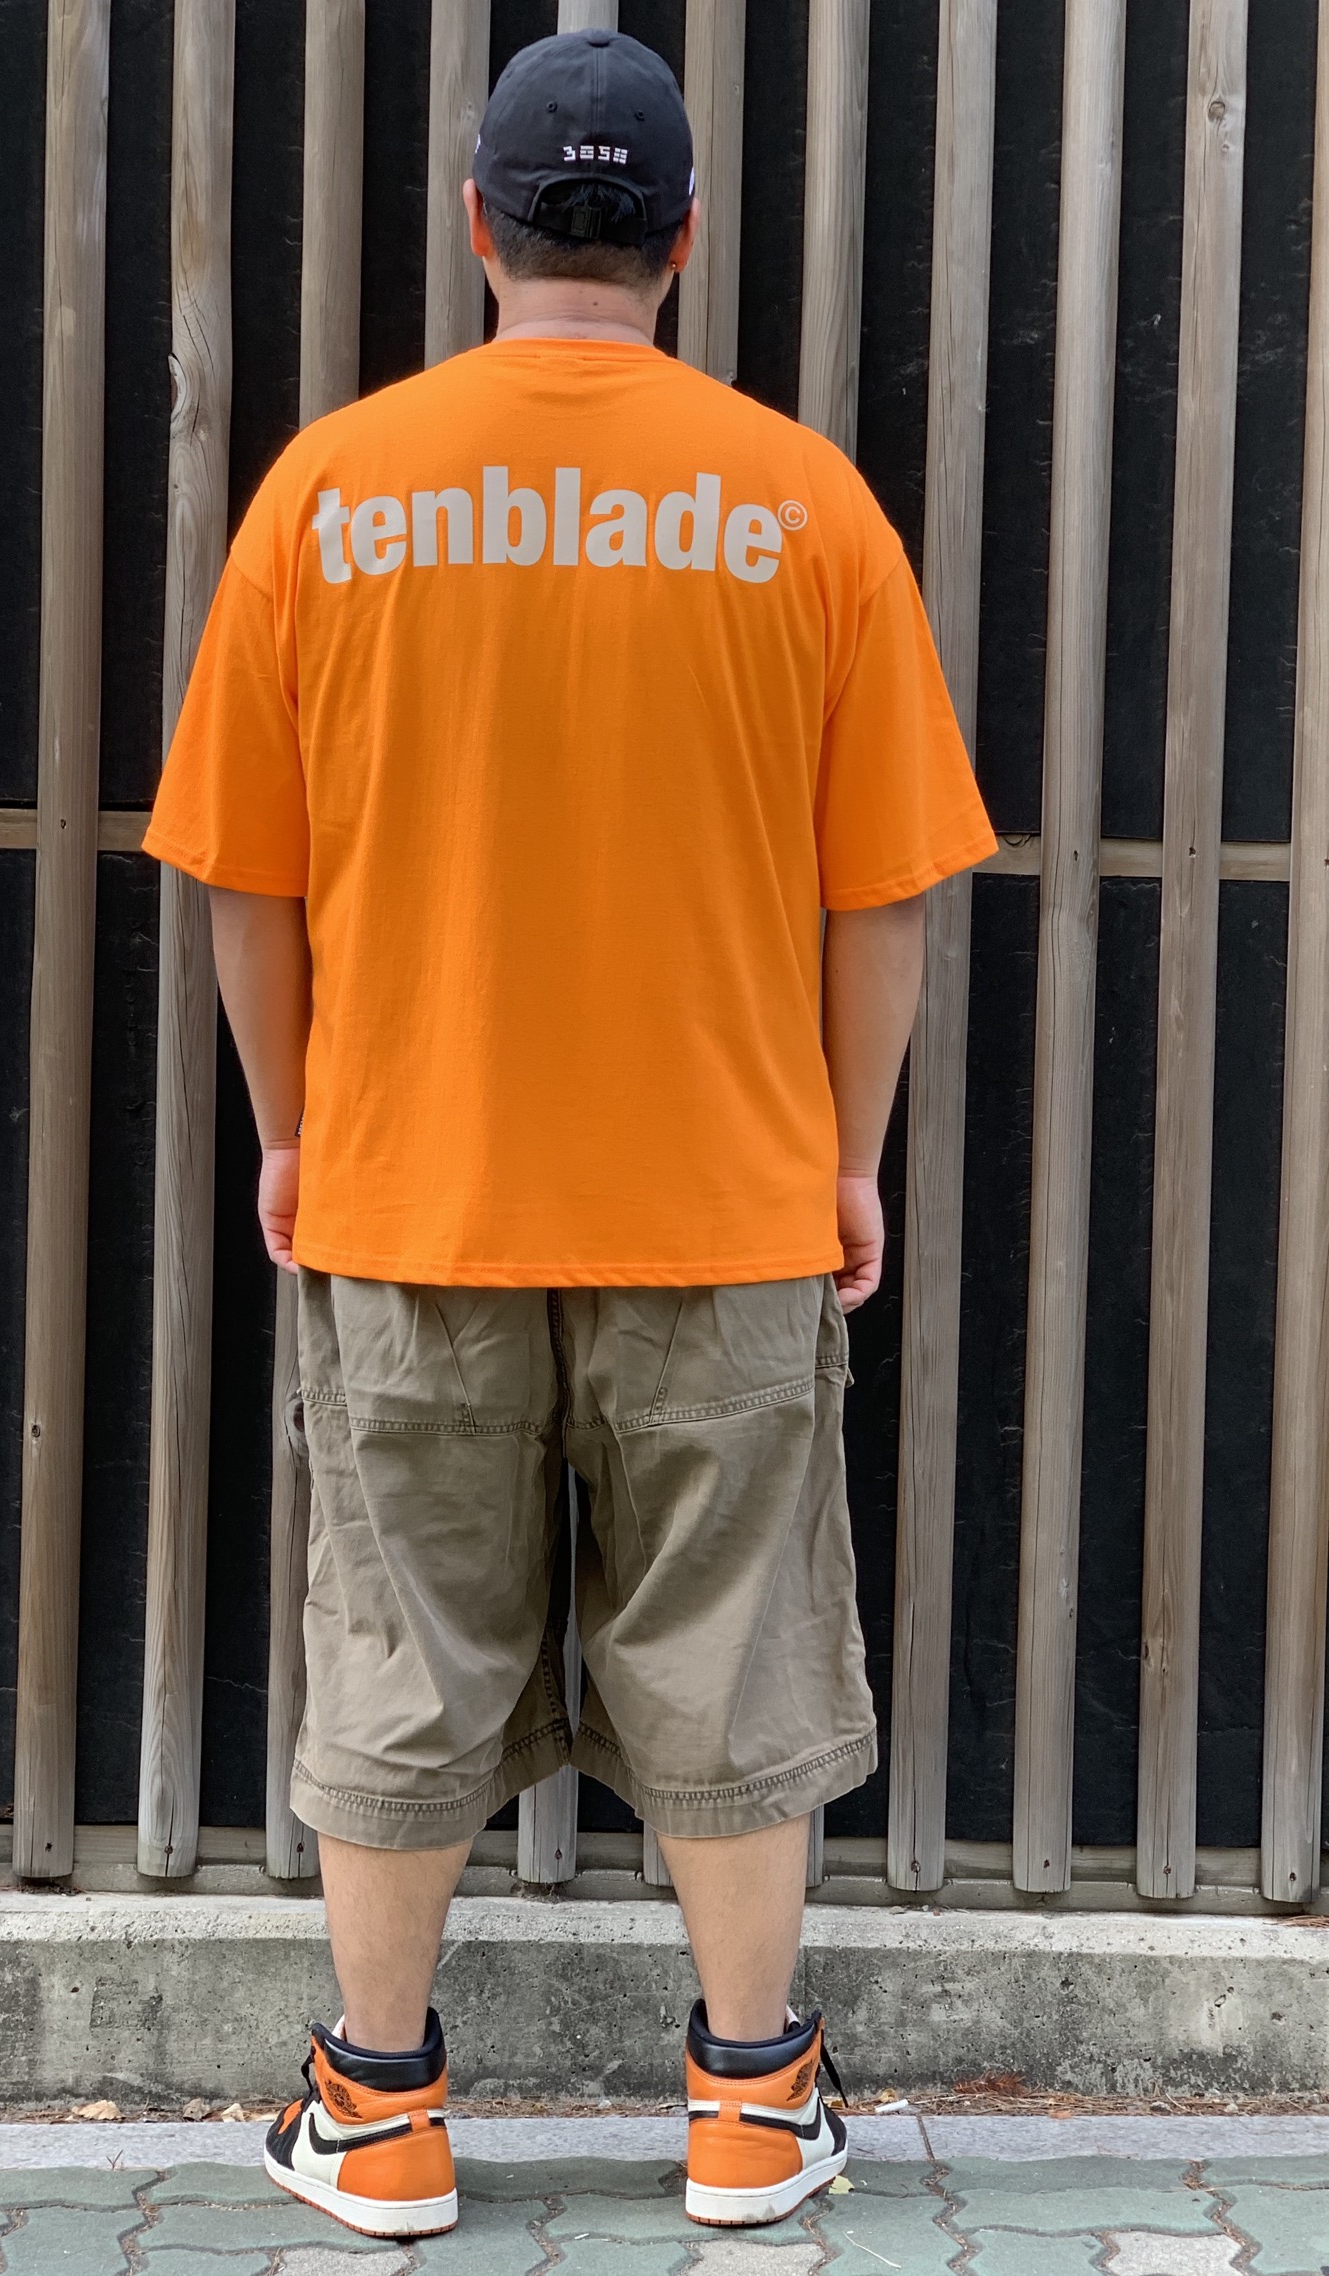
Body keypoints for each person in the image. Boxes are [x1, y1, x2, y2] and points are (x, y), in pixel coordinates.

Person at [144, 27, 995, 2241]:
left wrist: (294, 1130)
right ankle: (747, 2110)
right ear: (682, 238)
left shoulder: (332, 494)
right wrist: (847, 1156)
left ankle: (379, 2114)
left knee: (401, 1650)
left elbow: (245, 879)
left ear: (478, 227)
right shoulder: (803, 505)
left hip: (411, 1189)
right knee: (731, 1650)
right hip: (721, 1199)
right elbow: (882, 896)